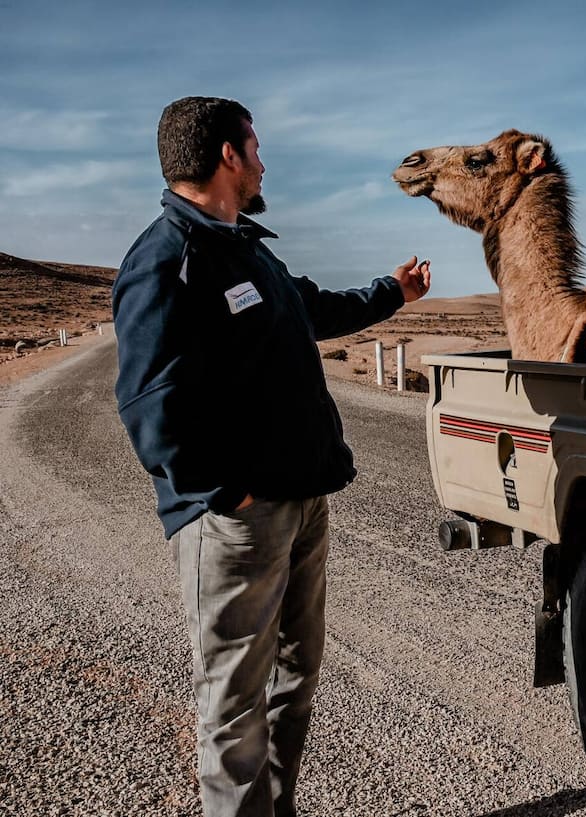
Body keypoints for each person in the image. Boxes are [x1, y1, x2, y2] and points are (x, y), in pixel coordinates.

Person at [112, 96, 431, 817]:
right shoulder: (167, 258)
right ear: (228, 155)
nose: (263, 162)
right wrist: (224, 493)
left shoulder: (244, 246)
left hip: (302, 500)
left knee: (297, 672)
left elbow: (309, 308)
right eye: (255, 147)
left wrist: (392, 293)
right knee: (231, 702)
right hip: (237, 519)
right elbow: (145, 405)